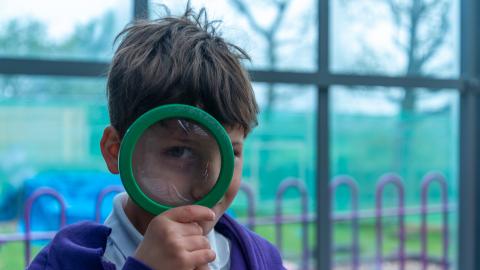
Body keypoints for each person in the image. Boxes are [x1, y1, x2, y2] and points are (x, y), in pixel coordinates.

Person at [27, 5, 285, 270]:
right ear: (116, 151)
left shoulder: (260, 259)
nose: (209, 185)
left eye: (231, 153)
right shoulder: (63, 262)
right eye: (180, 152)